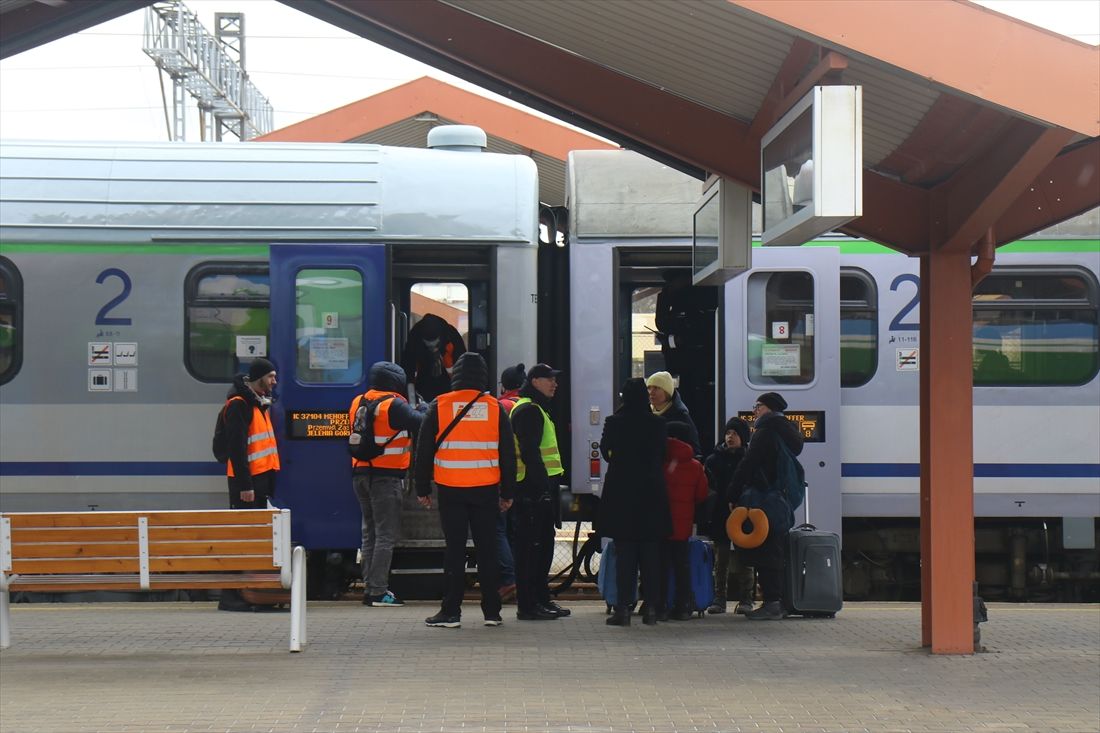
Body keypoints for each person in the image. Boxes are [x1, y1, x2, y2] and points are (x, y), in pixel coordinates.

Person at [413, 352, 516, 628]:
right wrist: (507, 493)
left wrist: (422, 487)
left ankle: (451, 611)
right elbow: (508, 454)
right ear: (482, 376)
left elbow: (423, 451)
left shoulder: (440, 405)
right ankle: (492, 612)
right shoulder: (495, 408)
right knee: (488, 551)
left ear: (455, 375)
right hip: (485, 489)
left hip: (451, 489)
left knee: (455, 551)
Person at [349, 361, 425, 608]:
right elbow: (421, 423)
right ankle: (378, 592)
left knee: (369, 533)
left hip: (359, 474)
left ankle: (370, 587)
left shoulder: (358, 401)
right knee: (385, 535)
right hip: (386, 477)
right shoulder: (393, 404)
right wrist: (424, 407)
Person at [598, 377, 671, 626]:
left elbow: (606, 451)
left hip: (622, 495)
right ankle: (651, 608)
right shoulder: (658, 424)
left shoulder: (614, 422)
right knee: (651, 554)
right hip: (652, 494)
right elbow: (662, 453)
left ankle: (623, 609)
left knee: (625, 554)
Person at [728, 392, 804, 620]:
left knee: (766, 548)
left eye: (758, 406)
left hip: (765, 498)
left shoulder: (765, 432)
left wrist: (732, 492)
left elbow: (748, 464)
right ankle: (775, 601)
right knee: (774, 546)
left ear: (768, 408)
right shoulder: (788, 431)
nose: (755, 410)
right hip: (781, 497)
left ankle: (772, 602)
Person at [219, 357, 280, 612]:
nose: (274, 381)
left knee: (254, 539)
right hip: (246, 485)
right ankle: (230, 596)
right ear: (258, 379)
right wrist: (245, 485)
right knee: (241, 537)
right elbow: (236, 449)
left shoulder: (259, 404)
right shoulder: (240, 405)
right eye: (271, 377)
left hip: (258, 483)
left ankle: (252, 593)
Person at [510, 363, 569, 621]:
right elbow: (531, 452)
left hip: (538, 489)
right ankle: (529, 604)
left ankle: (541, 599)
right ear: (534, 381)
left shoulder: (536, 409)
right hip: (532, 491)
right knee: (532, 549)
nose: (554, 384)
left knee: (542, 546)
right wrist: (543, 487)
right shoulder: (529, 410)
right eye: (549, 379)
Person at [703, 417, 755, 615]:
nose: (730, 437)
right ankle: (719, 598)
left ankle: (746, 599)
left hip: (744, 514)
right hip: (720, 515)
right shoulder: (714, 460)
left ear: (743, 437)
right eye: (728, 433)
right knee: (721, 558)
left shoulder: (750, 459)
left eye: (734, 434)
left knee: (745, 558)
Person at [659, 421, 710, 621]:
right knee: (682, 565)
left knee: (660, 566)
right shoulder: (696, 466)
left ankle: (659, 605)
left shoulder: (659, 461)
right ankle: (683, 606)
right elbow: (702, 494)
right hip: (682, 525)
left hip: (661, 523)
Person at [495, 362, 526, 600]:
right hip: (524, 478)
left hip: (503, 477)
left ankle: (508, 579)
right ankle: (518, 577)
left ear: (503, 385)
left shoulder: (500, 406)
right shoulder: (527, 405)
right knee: (516, 531)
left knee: (498, 529)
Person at [401, 312, 467, 403]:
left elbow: (462, 369)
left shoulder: (451, 336)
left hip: (449, 386)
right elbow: (409, 372)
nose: (432, 348)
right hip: (423, 385)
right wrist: (412, 403)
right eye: (428, 344)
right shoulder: (415, 338)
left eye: (435, 344)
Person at [645, 370, 701, 455]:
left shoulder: (681, 415)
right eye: (649, 388)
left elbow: (695, 450)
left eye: (656, 388)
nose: (651, 392)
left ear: (667, 392)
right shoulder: (645, 413)